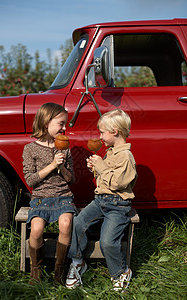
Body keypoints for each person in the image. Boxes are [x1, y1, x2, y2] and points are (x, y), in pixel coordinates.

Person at [66, 109, 137, 292]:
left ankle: (121, 272)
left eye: (102, 132)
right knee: (78, 223)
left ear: (115, 131)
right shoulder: (110, 152)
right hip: (100, 201)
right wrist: (95, 168)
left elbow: (118, 183)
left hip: (118, 205)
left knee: (107, 241)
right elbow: (105, 179)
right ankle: (78, 261)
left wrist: (101, 166)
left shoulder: (126, 157)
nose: (100, 137)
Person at [22, 102, 77, 285]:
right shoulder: (30, 149)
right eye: (61, 123)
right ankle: (35, 271)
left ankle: (59, 272)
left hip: (63, 195)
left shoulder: (64, 147)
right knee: (36, 230)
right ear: (46, 122)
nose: (64, 127)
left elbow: (72, 179)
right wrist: (52, 165)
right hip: (41, 198)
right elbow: (30, 180)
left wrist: (62, 168)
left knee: (66, 223)